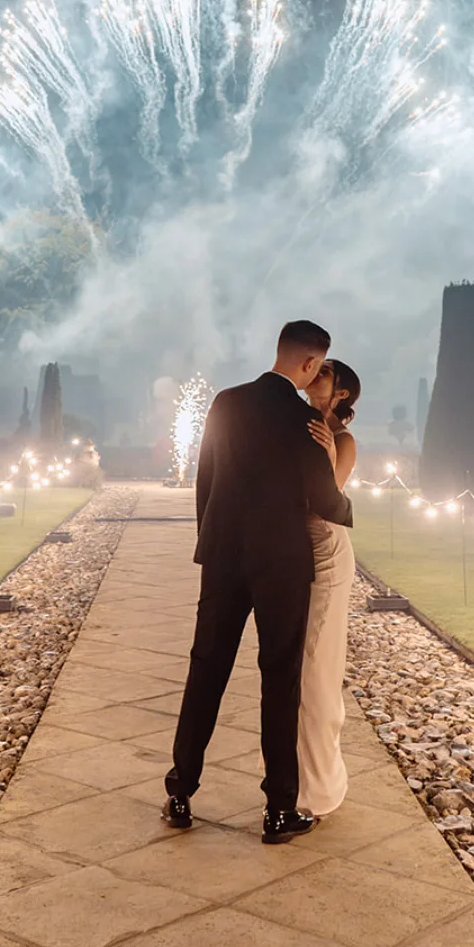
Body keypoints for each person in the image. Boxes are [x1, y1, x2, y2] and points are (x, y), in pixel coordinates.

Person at [164, 320, 352, 843]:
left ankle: (180, 793)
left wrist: (211, 542)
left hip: (225, 558)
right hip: (282, 566)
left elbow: (206, 479)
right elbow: (326, 502)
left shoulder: (225, 402)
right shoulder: (304, 420)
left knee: (205, 672)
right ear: (311, 364)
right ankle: (277, 811)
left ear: (280, 352)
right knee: (279, 683)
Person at [298, 359, 360, 817]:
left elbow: (326, 501)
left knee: (317, 670)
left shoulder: (342, 440)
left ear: (339, 393)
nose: (315, 376)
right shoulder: (295, 423)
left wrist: (327, 455)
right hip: (292, 555)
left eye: (324, 373)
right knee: (295, 671)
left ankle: (316, 793)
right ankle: (295, 778)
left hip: (326, 553)